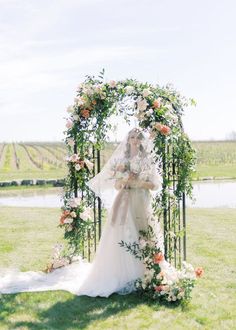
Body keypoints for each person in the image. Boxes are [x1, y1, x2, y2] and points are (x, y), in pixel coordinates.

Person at [0, 128, 167, 297]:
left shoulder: (147, 159)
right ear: (128, 139)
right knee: (122, 235)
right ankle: (123, 275)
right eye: (131, 137)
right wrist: (125, 180)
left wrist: (138, 182)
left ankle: (148, 273)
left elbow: (156, 185)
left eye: (138, 137)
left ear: (142, 140)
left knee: (144, 234)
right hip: (124, 202)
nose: (135, 140)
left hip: (141, 201)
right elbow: (116, 185)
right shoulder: (121, 160)